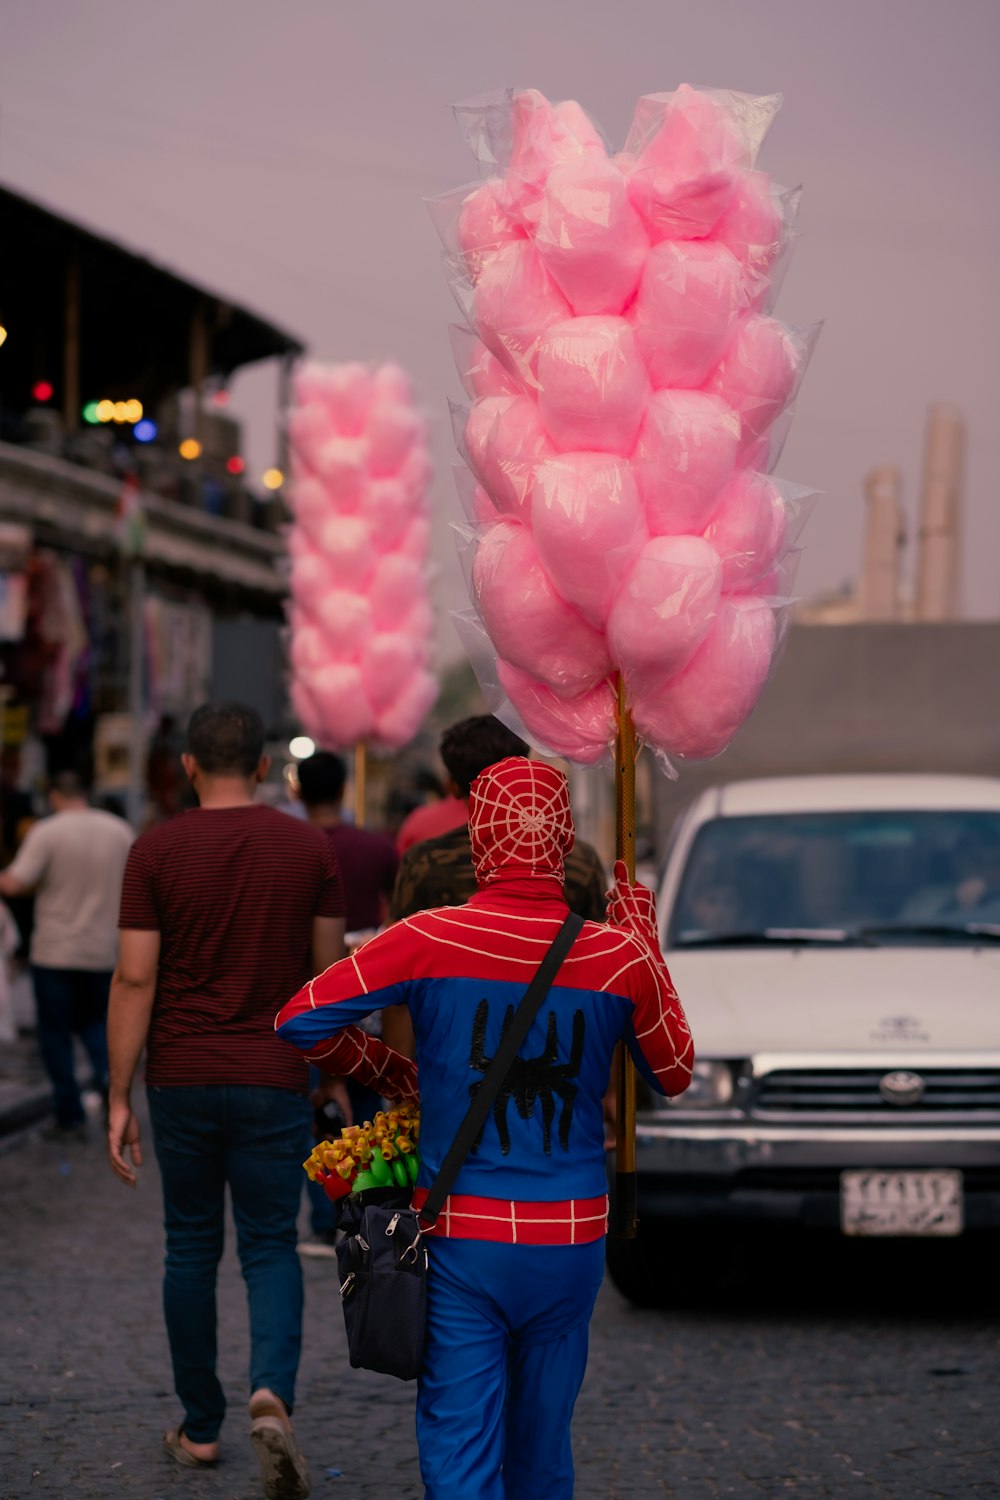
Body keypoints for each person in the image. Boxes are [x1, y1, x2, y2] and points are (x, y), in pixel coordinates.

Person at [275, 756, 693, 1500]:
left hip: (463, 1235)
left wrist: (388, 1071)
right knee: (542, 1445)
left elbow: (300, 1018)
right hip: (572, 1237)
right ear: (564, 846)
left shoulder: (427, 936)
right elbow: (675, 1071)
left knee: (460, 1443)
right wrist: (648, 951)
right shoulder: (615, 953)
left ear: (479, 844)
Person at [106, 702, 345, 1499]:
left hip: (180, 1075)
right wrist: (333, 1072)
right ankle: (270, 1391)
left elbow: (136, 976)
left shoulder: (154, 851)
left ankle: (201, 1426)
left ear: (187, 766)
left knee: (190, 1248)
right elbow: (322, 978)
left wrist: (117, 1092)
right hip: (274, 1072)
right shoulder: (309, 847)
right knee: (271, 1245)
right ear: (264, 765)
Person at [384, 716, 609, 1060]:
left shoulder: (425, 863)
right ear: (527, 769)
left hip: (451, 1048)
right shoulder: (577, 860)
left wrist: (399, 1081)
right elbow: (601, 970)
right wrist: (609, 1088)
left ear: (452, 785)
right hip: (561, 1047)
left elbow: (398, 978)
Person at [295, 749, 399, 1256]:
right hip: (366, 989)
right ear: (342, 788)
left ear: (298, 791)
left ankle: (322, 1213)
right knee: (363, 1108)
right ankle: (363, 1209)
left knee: (314, 1104)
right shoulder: (377, 847)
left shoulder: (292, 847)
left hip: (308, 993)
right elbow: (398, 912)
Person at [0, 769, 134, 1138]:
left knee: (56, 1034)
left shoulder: (47, 832)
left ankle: (69, 1113)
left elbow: (16, 882)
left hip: (55, 952)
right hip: (104, 951)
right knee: (97, 1026)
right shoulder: (119, 830)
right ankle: (110, 1087)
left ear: (55, 796)